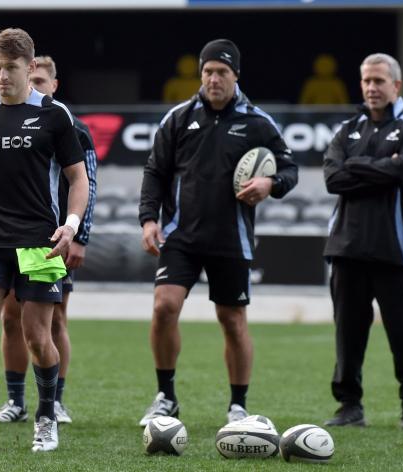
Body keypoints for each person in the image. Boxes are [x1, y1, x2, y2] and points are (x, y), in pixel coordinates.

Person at [137, 39, 298, 427]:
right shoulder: (178, 118)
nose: (213, 79)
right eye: (207, 71)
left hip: (231, 237)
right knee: (164, 308)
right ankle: (166, 396)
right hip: (180, 236)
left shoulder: (258, 122)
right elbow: (155, 173)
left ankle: (238, 404)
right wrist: (148, 219)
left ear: (236, 76)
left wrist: (270, 184)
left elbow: (291, 169)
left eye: (221, 72)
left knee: (232, 320)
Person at [0, 28, 89, 453]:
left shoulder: (55, 116)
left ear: (30, 68)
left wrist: (70, 225)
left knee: (37, 337)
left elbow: (77, 177)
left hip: (40, 241)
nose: (1, 76)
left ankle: (46, 416)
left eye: (10, 68)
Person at [0, 55, 97, 426]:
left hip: (54, 238)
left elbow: (87, 183)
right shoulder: (2, 120)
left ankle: (56, 401)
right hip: (11, 234)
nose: (33, 86)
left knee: (54, 322)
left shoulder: (70, 125)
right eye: (30, 79)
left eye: (40, 81)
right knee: (10, 318)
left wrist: (79, 236)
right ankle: (16, 400)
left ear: (54, 85)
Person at [322, 53, 403, 430]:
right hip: (346, 247)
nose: (371, 88)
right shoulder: (348, 129)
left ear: (396, 85)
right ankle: (350, 407)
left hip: (397, 249)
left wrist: (357, 166)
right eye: (366, 81)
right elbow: (334, 178)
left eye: (379, 81)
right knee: (347, 334)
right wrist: (385, 167)